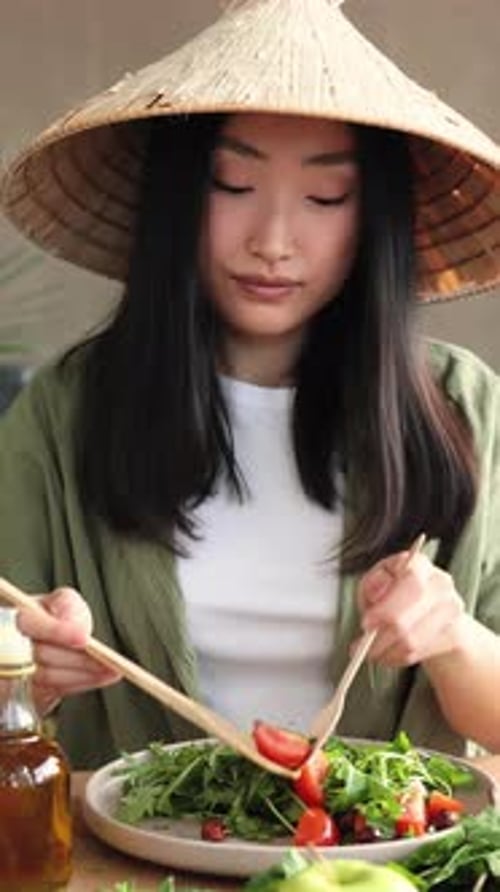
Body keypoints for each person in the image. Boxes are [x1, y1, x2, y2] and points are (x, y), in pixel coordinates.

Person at [0, 0, 499, 770]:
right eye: (232, 185)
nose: (272, 242)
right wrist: (37, 678)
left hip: (376, 879)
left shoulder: (466, 409)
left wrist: (451, 638)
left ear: (376, 220)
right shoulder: (62, 415)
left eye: (325, 199)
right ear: (176, 199)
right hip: (135, 879)